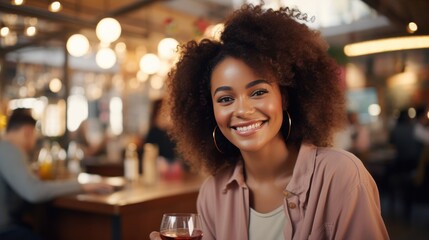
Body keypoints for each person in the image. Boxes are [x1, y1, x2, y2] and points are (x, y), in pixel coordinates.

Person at [151, 4, 388, 240]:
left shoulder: (340, 176)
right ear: (210, 111)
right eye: (225, 99)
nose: (242, 110)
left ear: (283, 97)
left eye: (258, 92)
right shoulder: (213, 193)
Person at [0, 109, 113, 240]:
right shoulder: (9, 149)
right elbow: (33, 191)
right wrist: (82, 186)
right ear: (27, 132)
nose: (33, 143)